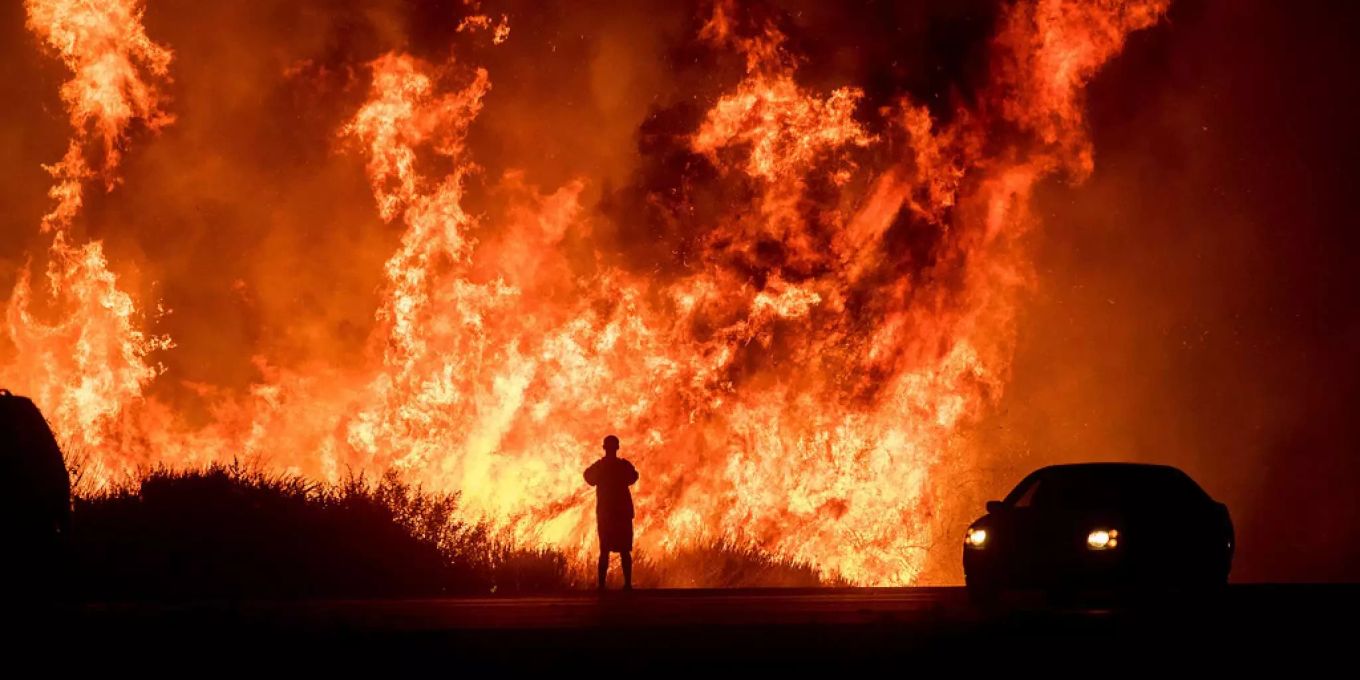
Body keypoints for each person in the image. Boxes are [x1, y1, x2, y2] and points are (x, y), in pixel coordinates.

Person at [0, 389, 71, 600]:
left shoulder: (20, 414)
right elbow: (57, 474)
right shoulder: (23, 415)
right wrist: (65, 524)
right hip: (35, 535)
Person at [583, 434, 638, 591]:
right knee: (624, 551)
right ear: (617, 448)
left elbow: (588, 477)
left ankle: (602, 586)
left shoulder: (601, 466)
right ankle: (626, 584)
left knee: (605, 550)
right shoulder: (622, 465)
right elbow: (634, 477)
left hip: (607, 514)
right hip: (621, 514)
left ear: (604, 448)